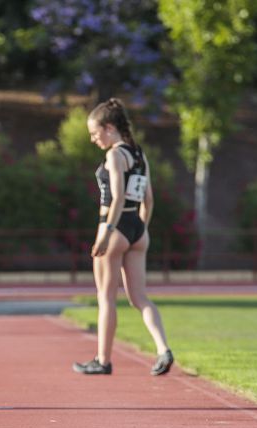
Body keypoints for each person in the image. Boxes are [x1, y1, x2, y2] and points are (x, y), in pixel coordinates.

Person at [74, 98, 174, 376]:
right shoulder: (140, 155)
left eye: (95, 133)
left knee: (106, 298)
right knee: (140, 298)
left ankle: (102, 360)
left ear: (109, 127)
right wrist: (139, 228)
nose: (94, 139)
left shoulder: (115, 155)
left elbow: (117, 197)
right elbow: (149, 200)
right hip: (137, 231)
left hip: (114, 226)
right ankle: (163, 348)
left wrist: (107, 234)